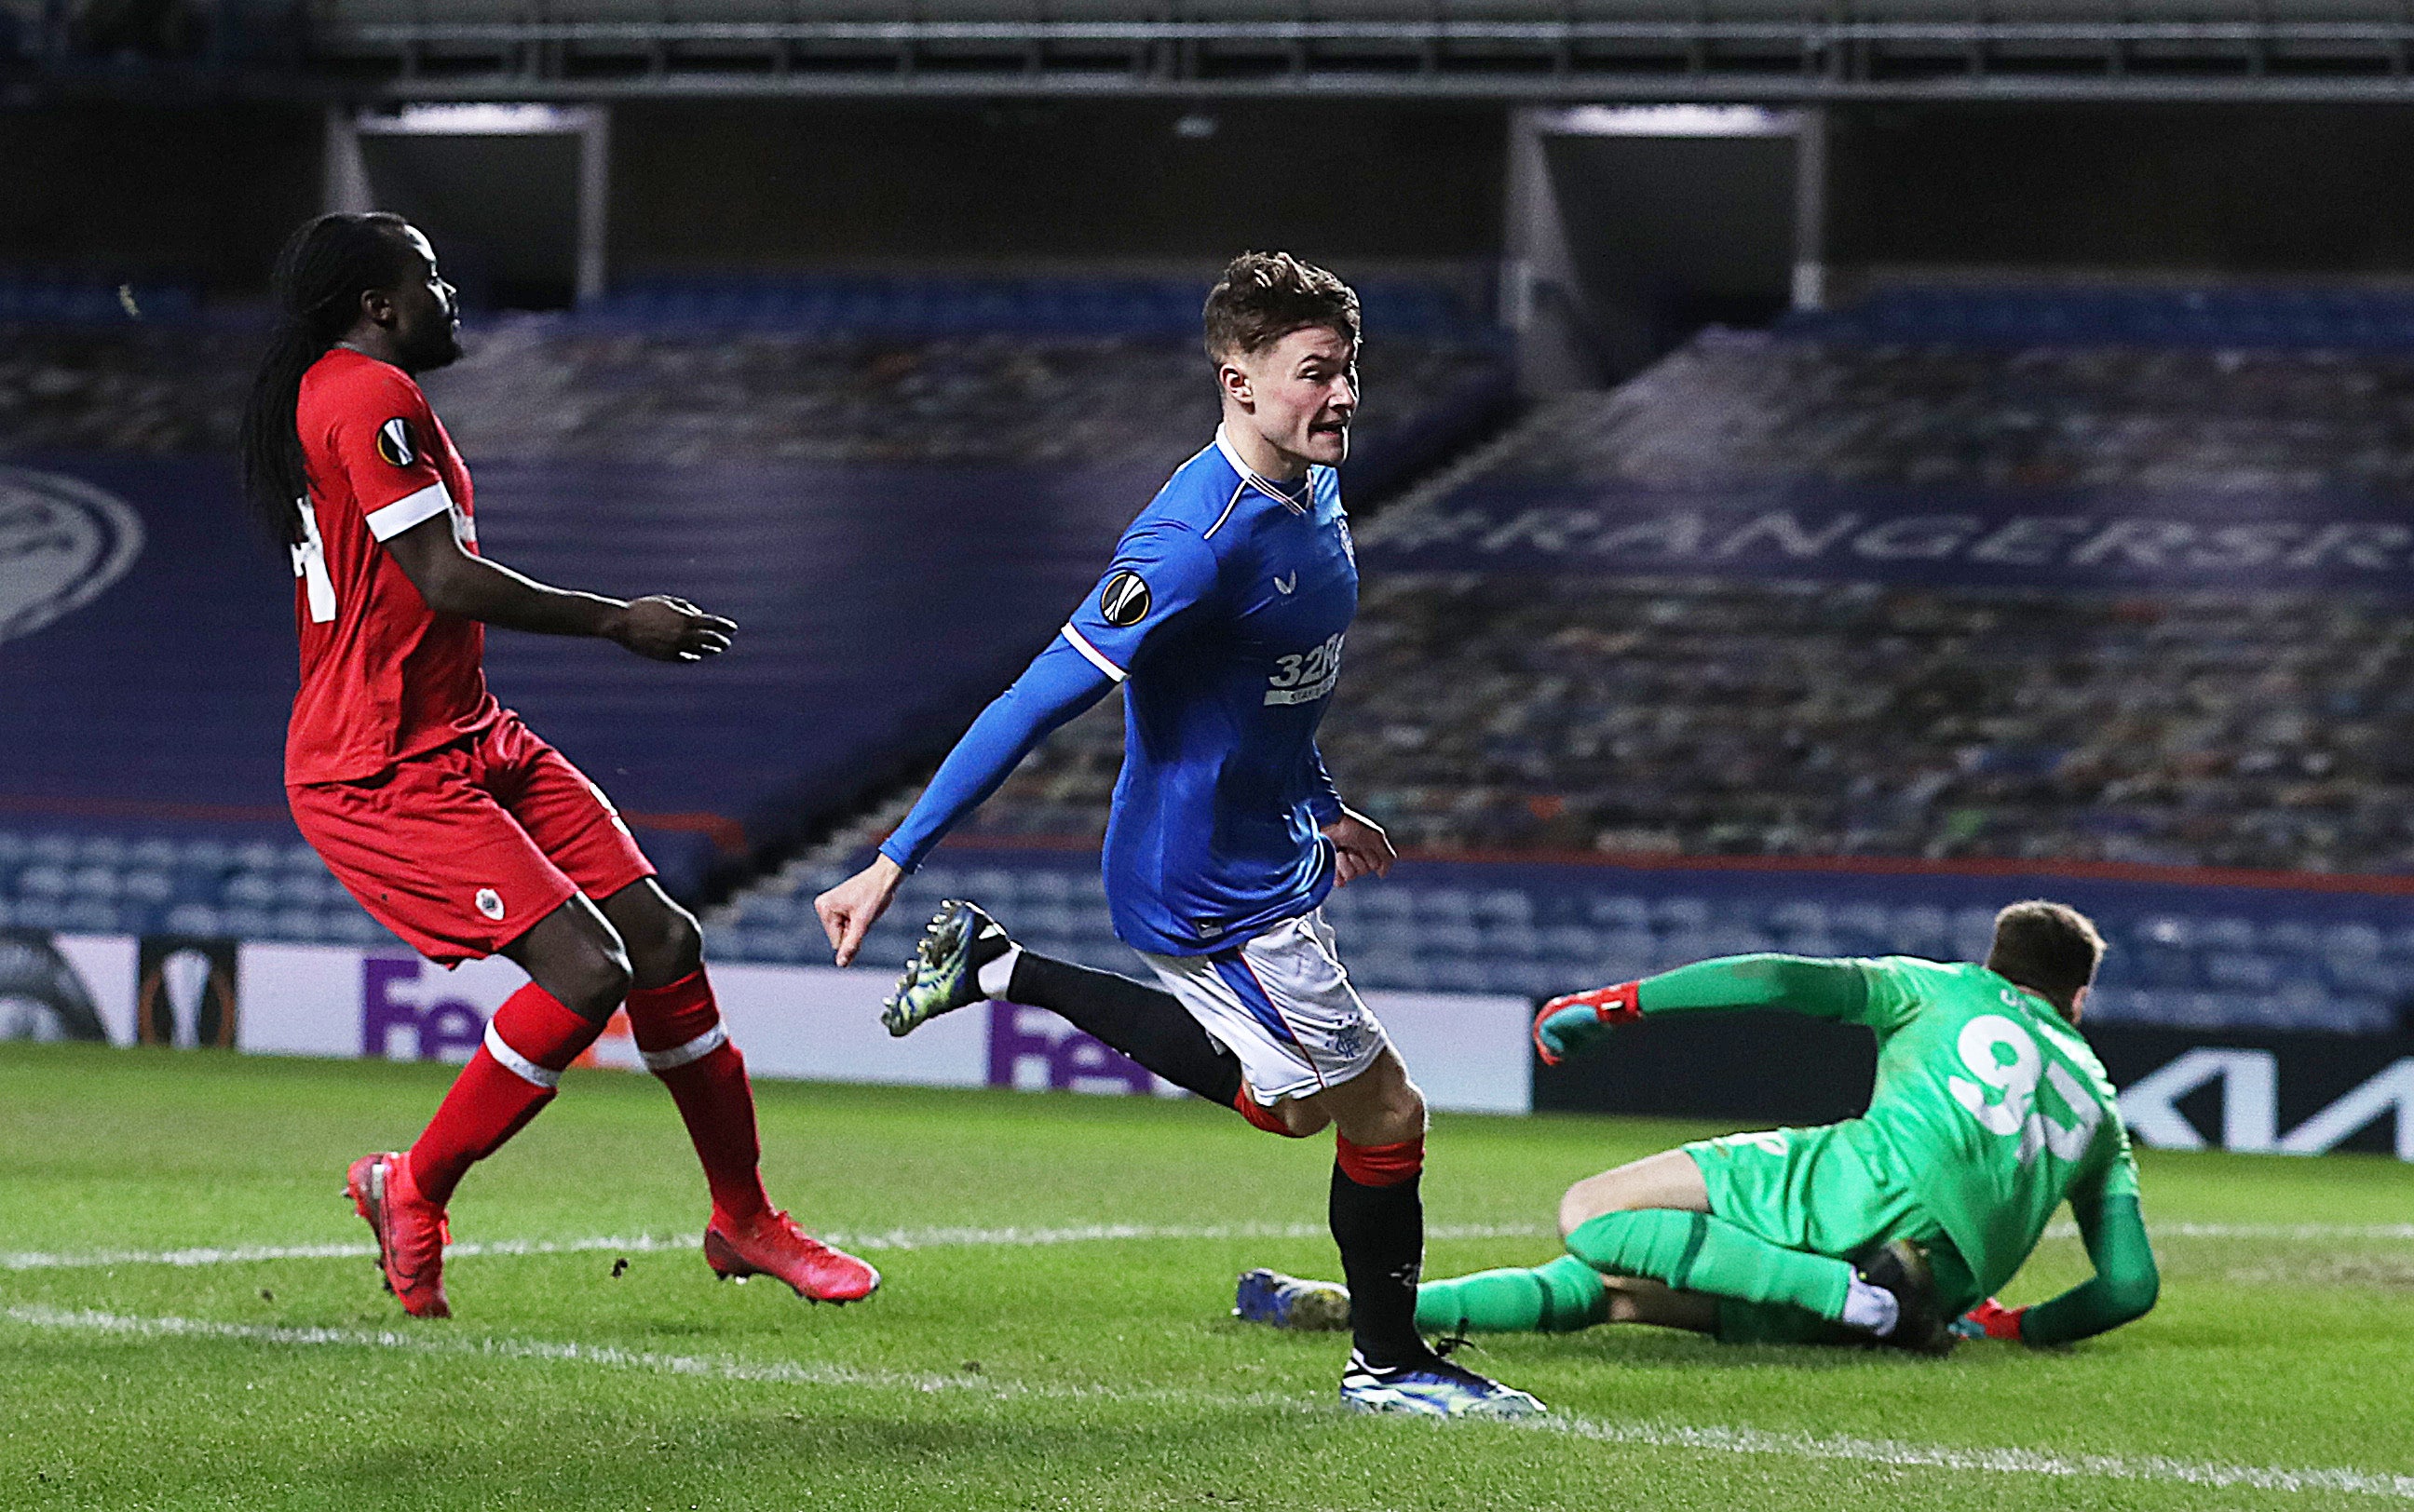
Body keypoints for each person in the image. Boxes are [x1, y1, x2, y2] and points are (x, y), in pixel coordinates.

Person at [813, 251, 1540, 1419]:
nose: (1343, 395)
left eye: (1350, 370)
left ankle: (1002, 965)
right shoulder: (1193, 541)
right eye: (1315, 374)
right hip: (1207, 884)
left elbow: (1274, 689)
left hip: (1270, 847)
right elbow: (1034, 697)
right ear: (1237, 382)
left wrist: (1318, 798)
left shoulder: (1317, 486)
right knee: (1388, 1109)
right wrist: (894, 858)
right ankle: (1389, 1366)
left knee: (1300, 1106)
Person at [239, 211, 877, 1318]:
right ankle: (414, 1185)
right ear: (377, 304)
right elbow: (442, 578)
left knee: (664, 940)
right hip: (379, 763)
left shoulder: (353, 396)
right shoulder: (364, 394)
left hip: (468, 730)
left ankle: (745, 1220)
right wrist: (617, 622)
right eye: (428, 277)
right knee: (589, 973)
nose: (450, 294)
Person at [1236, 900, 2159, 1356]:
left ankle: (1850, 1292)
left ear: (1995, 958)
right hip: (1938, 1291)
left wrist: (1618, 1002)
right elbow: (2128, 1285)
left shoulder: (1941, 986)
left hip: (1850, 1193)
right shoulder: (2101, 1098)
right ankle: (1368, 1309)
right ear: (2077, 996)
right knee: (1612, 1291)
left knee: (1593, 1213)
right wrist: (2017, 1329)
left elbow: (1772, 979)